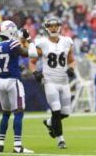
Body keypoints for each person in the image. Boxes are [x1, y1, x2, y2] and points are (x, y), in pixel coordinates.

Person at [0, 20, 35, 153]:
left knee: (5, 114)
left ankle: (0, 144)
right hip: (13, 81)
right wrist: (30, 40)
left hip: (0, 82)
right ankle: (17, 145)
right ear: (9, 30)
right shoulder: (12, 43)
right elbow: (31, 53)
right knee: (19, 113)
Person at [29, 17, 75, 149]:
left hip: (64, 81)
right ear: (47, 28)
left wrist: (71, 68)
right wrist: (35, 72)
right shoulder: (42, 43)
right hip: (50, 82)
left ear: (59, 27)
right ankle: (61, 140)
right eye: (50, 26)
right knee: (56, 111)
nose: (53, 28)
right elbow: (32, 62)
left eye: (55, 25)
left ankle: (50, 122)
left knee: (66, 113)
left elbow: (71, 60)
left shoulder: (67, 42)